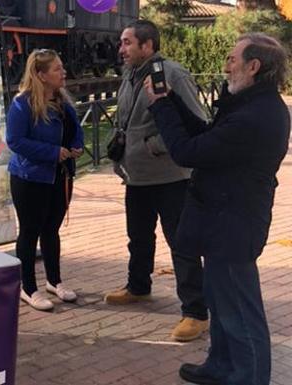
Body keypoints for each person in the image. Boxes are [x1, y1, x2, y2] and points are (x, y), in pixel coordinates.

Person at [145, 33, 290, 385]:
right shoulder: (250, 105)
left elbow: (188, 152)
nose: (225, 67)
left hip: (234, 223)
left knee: (240, 309)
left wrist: (161, 107)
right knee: (222, 302)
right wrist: (173, 100)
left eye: (232, 59)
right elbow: (205, 137)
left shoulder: (255, 116)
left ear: (253, 66)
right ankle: (222, 366)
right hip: (223, 218)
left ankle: (250, 377)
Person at [103, 20, 209, 342]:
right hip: (137, 176)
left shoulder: (171, 74)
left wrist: (154, 147)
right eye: (122, 43)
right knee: (138, 236)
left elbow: (197, 122)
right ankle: (138, 286)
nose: (121, 49)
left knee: (182, 243)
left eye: (127, 43)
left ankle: (195, 312)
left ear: (147, 46)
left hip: (169, 177)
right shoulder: (131, 74)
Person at [6, 49, 84, 311]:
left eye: (62, 67)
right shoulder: (22, 104)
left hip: (60, 176)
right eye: (57, 69)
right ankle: (28, 287)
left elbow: (76, 132)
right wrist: (53, 152)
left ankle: (54, 280)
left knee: (52, 229)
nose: (63, 72)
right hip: (30, 177)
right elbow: (15, 141)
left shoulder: (63, 101)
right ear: (40, 74)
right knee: (30, 231)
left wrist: (76, 146)